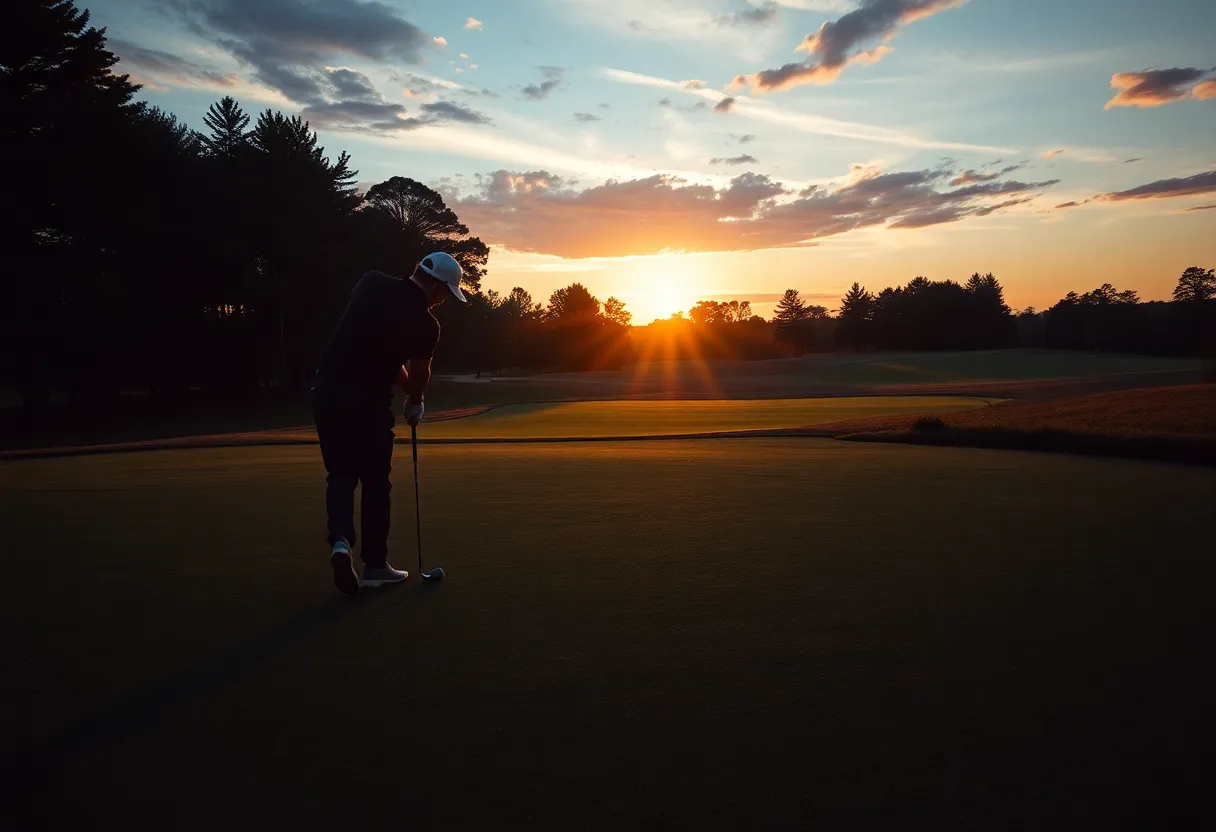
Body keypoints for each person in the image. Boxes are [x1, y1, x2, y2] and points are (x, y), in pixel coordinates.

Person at [310, 252, 467, 595]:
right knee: (375, 482)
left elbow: (380, 349)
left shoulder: (371, 283)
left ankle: (340, 543)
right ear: (438, 286)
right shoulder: (426, 324)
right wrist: (415, 401)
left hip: (326, 390)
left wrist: (410, 392)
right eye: (445, 294)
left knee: (340, 474)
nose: (442, 302)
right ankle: (376, 567)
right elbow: (420, 372)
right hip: (367, 402)